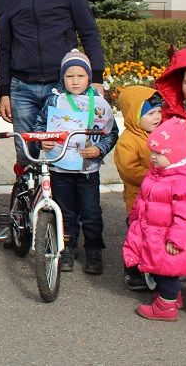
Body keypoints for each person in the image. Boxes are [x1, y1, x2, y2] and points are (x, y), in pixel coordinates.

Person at [0, 0, 105, 163]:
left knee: (65, 155)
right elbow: (4, 47)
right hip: (22, 88)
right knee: (26, 158)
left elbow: (89, 32)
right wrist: (4, 91)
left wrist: (96, 77)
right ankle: (25, 198)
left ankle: (60, 199)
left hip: (62, 86)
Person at [33, 50, 119, 275]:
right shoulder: (54, 100)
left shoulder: (100, 103)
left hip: (87, 170)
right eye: (70, 76)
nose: (75, 81)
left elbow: (111, 132)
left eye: (81, 76)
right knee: (65, 211)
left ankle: (94, 250)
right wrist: (43, 141)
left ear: (89, 78)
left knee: (91, 212)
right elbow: (40, 125)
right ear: (62, 78)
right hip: (60, 167)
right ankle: (67, 248)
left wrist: (99, 149)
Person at [123, 117, 186, 322]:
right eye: (152, 151)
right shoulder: (159, 173)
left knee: (168, 271)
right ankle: (171, 297)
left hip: (168, 236)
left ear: (175, 154)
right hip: (153, 232)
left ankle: (165, 307)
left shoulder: (183, 181)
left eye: (159, 153)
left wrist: (177, 240)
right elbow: (143, 198)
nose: (153, 157)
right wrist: (135, 217)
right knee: (163, 270)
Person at [113, 86, 163, 290]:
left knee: (155, 236)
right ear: (134, 115)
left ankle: (153, 268)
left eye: (159, 111)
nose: (157, 117)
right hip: (137, 200)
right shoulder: (128, 141)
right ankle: (132, 271)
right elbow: (129, 170)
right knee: (137, 237)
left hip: (160, 199)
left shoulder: (162, 134)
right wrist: (157, 177)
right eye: (150, 113)